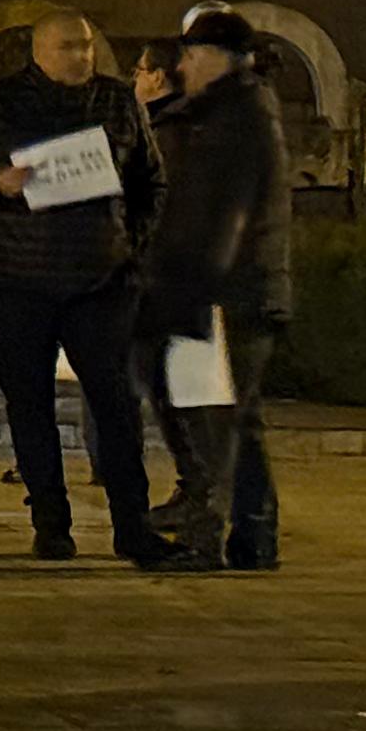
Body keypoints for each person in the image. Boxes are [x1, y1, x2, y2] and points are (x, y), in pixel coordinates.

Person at [0, 10, 170, 565]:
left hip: (101, 280)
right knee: (30, 403)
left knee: (115, 404)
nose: (82, 57)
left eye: (88, 46)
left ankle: (131, 525)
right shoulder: (0, 102)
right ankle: (50, 521)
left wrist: (130, 244)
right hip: (17, 280)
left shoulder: (118, 103)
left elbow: (150, 180)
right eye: (69, 47)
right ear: (40, 52)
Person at [142, 8, 293, 571]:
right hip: (237, 288)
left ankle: (207, 539)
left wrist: (192, 290)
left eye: (189, 55)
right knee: (236, 421)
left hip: (226, 291)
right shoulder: (234, 110)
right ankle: (254, 538)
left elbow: (223, 213)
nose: (181, 67)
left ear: (212, 58)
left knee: (213, 421)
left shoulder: (236, 117)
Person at [128, 35, 208, 538]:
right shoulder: (176, 125)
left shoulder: (169, 131)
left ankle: (198, 491)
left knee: (175, 392)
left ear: (158, 76)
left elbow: (160, 204)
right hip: (171, 277)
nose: (134, 80)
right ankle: (196, 488)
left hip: (170, 279)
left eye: (139, 70)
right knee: (168, 390)